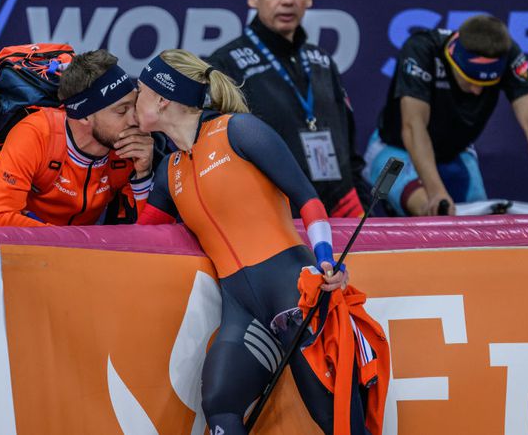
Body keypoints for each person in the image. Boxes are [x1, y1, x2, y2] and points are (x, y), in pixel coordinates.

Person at [136, 49, 386, 434]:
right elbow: (141, 242)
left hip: (295, 295)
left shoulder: (239, 131)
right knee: (219, 402)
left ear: (162, 97)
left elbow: (308, 198)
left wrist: (324, 260)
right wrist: (139, 174)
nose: (134, 100)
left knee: (338, 421)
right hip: (241, 309)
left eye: (140, 91)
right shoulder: (168, 172)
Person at [208, 0, 370, 219]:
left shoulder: (322, 62)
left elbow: (350, 153)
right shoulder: (226, 64)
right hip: (275, 220)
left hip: (339, 213)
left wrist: (362, 212)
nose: (287, 0)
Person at [364, 14, 528, 216]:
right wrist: (436, 191)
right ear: (453, 59)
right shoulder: (421, 48)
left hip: (456, 155)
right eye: (469, 80)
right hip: (392, 153)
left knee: (479, 225)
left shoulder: (508, 54)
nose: (476, 91)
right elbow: (413, 126)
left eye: (485, 84)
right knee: (429, 210)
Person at [0, 49, 154, 227]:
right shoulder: (36, 134)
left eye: (135, 106)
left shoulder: (133, 148)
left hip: (63, 244)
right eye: (122, 111)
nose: (135, 120)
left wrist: (143, 176)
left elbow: (143, 237)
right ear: (84, 116)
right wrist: (72, 244)